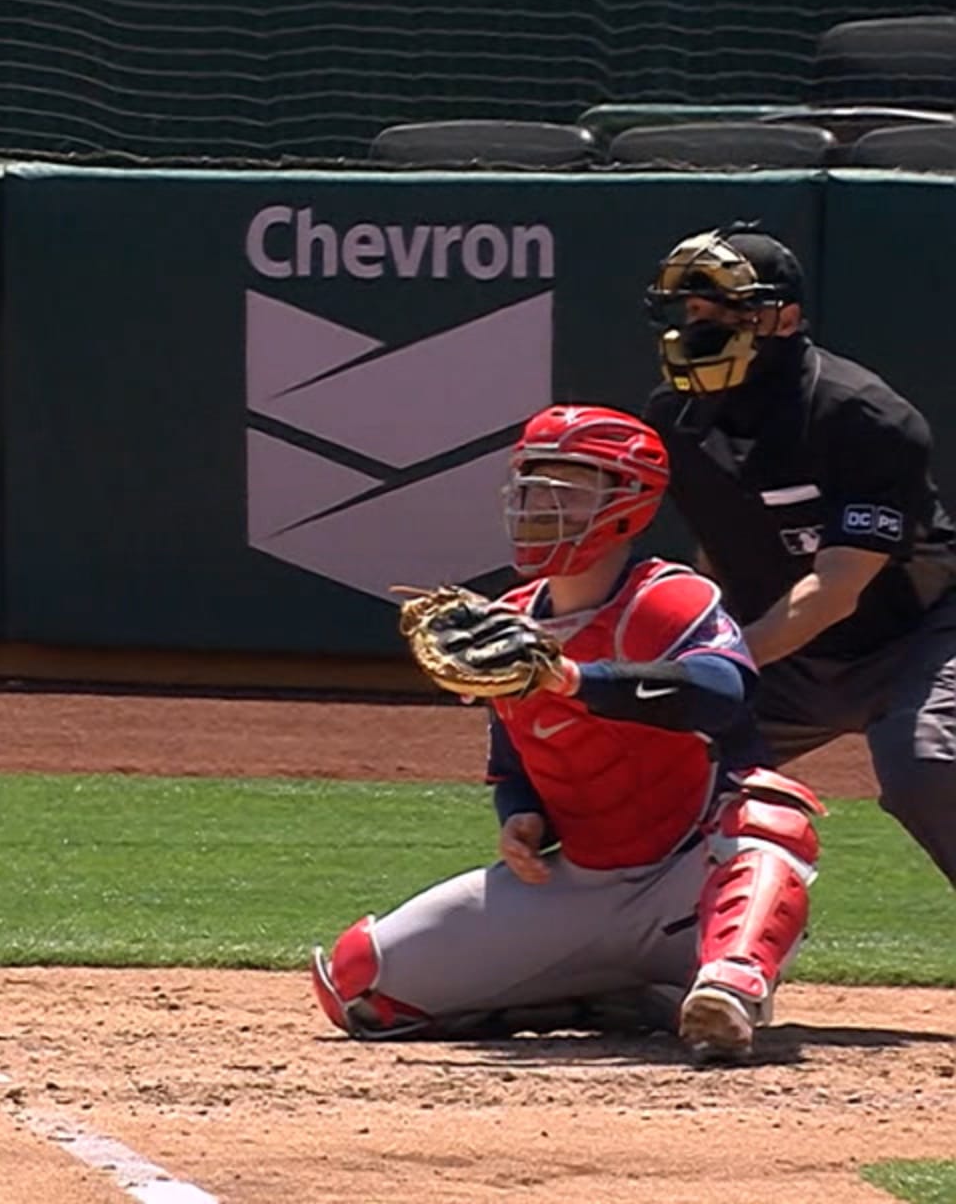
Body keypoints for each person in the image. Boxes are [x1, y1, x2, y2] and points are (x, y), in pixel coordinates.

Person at [313, 405, 824, 1063]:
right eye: (530, 484)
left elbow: (724, 695)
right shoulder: (508, 622)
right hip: (580, 881)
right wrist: (519, 816)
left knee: (771, 811)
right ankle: (615, 998)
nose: (538, 503)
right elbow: (512, 760)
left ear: (627, 502)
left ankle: (732, 982)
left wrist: (577, 680)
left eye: (568, 487)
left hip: (690, 882)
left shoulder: (666, 597)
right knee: (364, 986)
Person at [640, 225, 956, 891]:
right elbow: (717, 556)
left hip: (917, 635)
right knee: (652, 759)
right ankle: (641, 953)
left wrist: (717, 665)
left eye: (729, 312)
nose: (704, 328)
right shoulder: (675, 418)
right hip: (788, 655)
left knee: (923, 759)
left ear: (783, 318)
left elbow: (837, 590)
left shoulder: (862, 414)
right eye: (695, 313)